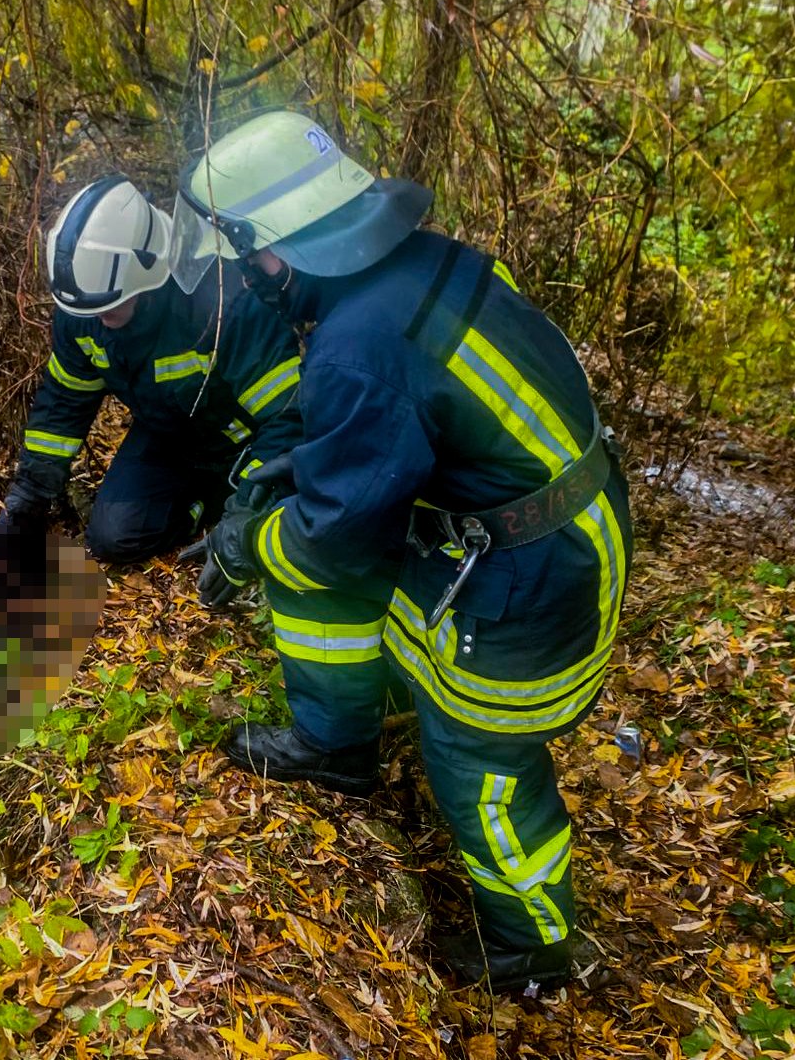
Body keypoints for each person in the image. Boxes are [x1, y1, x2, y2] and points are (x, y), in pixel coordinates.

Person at [172, 111, 633, 995]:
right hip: (548, 527)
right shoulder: (424, 266)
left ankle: (534, 953)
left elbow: (333, 544)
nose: (249, 277)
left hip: (532, 575)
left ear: (277, 247)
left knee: (479, 761)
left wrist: (246, 544)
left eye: (248, 258)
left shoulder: (355, 343)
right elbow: (372, 413)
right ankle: (334, 745)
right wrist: (276, 475)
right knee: (344, 598)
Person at [1, 174, 303, 564]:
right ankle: (207, 503)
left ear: (145, 275)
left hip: (245, 440)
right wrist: (30, 495)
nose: (99, 319)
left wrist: (248, 507)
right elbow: (63, 401)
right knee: (114, 537)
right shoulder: (85, 308)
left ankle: (229, 497)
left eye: (109, 307)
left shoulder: (223, 305)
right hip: (169, 435)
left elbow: (287, 418)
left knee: (272, 506)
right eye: (89, 310)